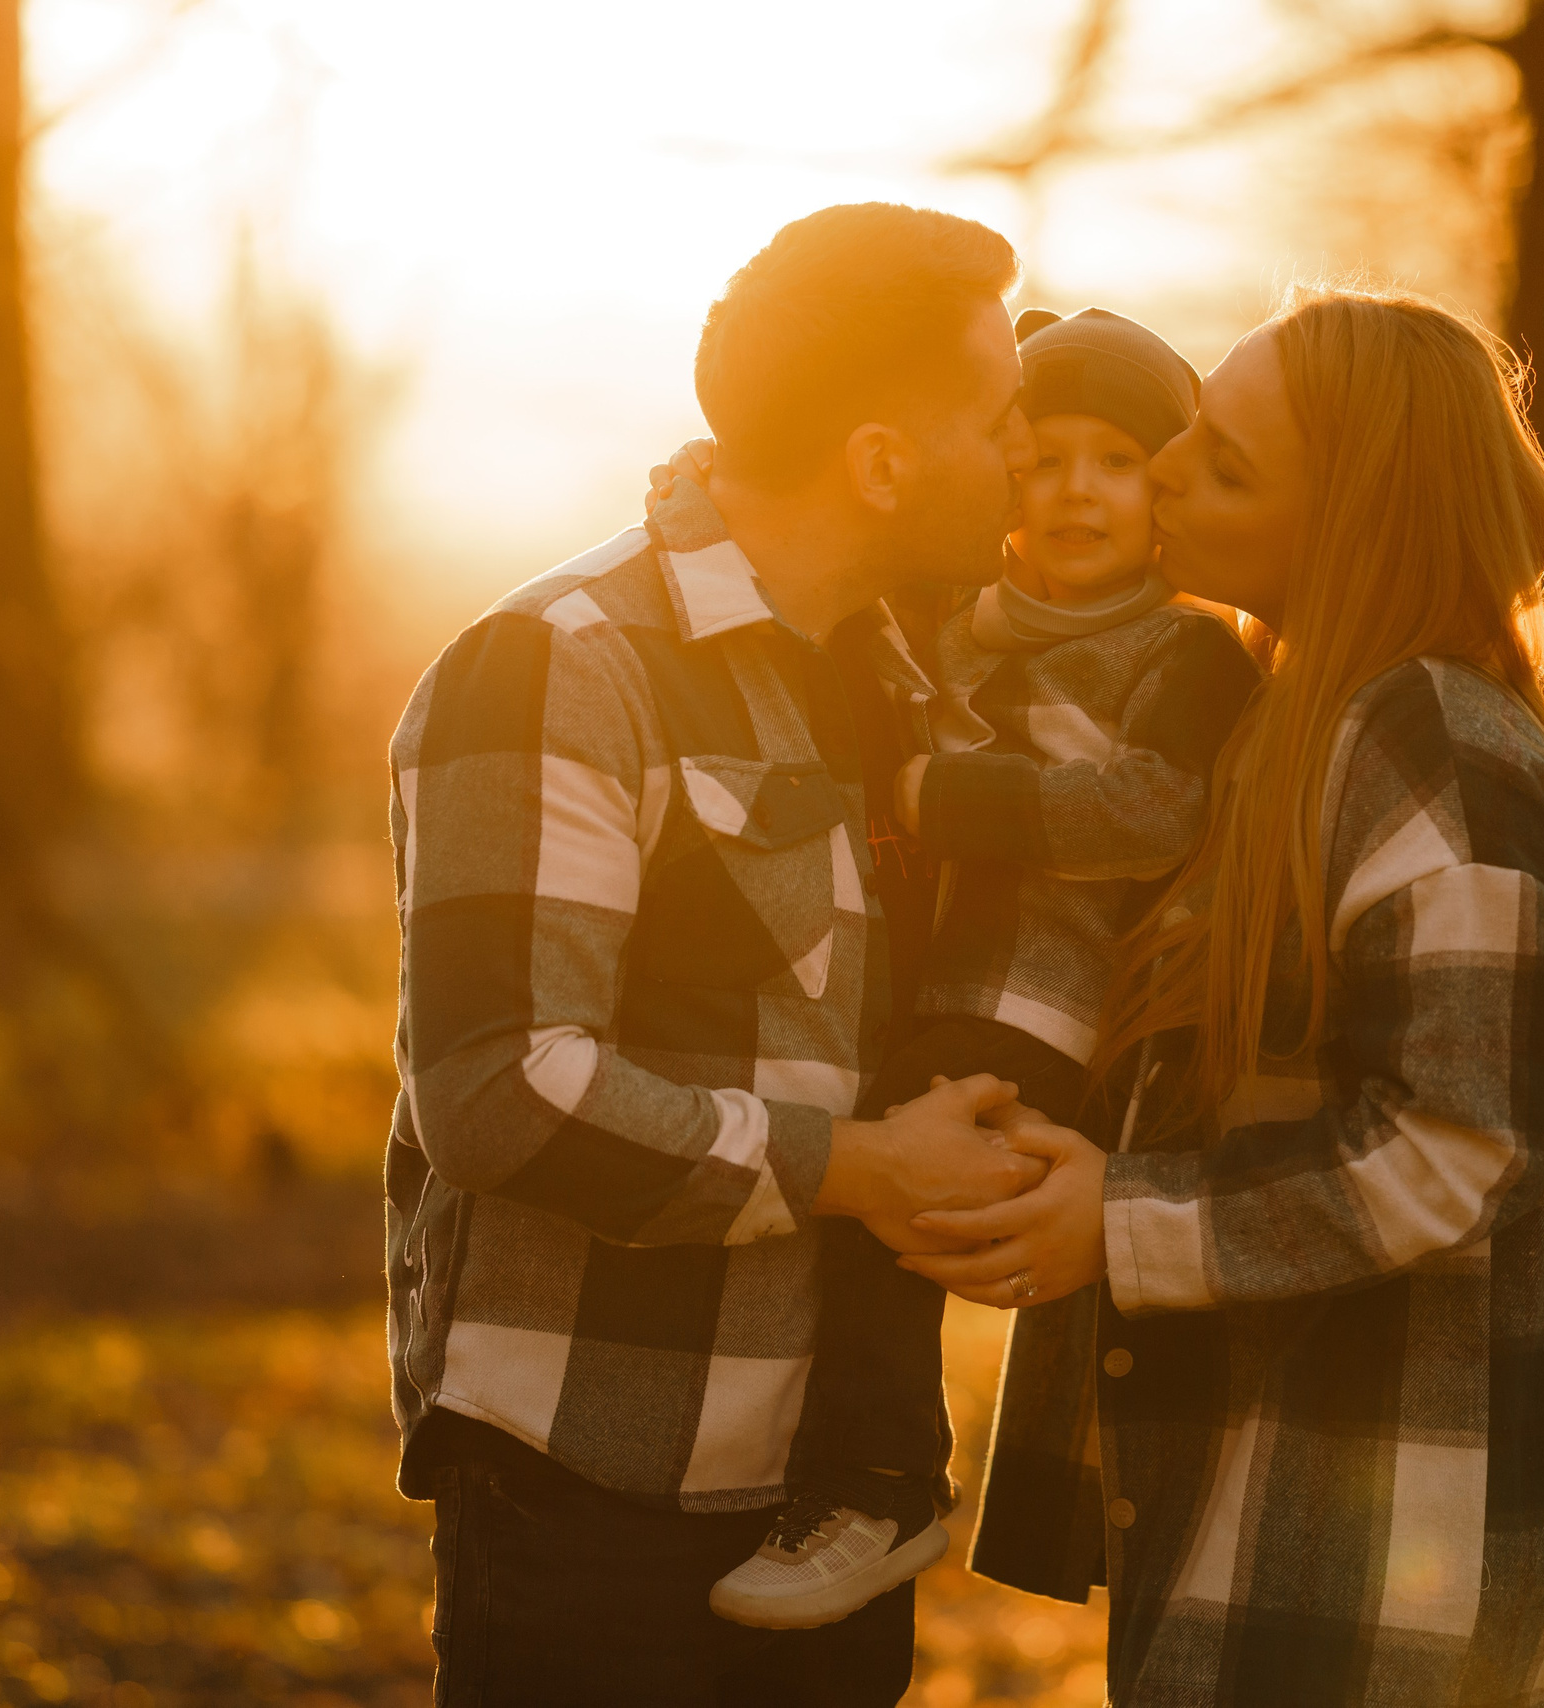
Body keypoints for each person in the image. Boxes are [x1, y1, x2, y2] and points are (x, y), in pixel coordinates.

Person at [905, 286, 1544, 1707]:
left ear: (1353, 528)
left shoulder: (1432, 743)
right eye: (1187, 431)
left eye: (1224, 463)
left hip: (1393, 1548)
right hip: (1287, 1494)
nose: (1163, 470)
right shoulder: (1289, 718)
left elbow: (1460, 1143)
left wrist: (1116, 1223)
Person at [381, 201, 1049, 1708]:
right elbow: (499, 1091)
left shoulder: (894, 678)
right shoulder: (559, 666)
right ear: (881, 460)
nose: (1026, 453)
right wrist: (863, 1167)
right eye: (1004, 417)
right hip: (594, 1505)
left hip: (826, 1505)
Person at [690, 306, 1262, 1630]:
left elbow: (1148, 813)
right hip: (924, 984)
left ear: (1161, 483)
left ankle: (883, 1484)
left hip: (1044, 1001)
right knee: (860, 1191)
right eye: (1045, 456)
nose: (1075, 489)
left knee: (898, 1194)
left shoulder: (1183, 652)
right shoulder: (961, 620)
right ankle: (819, 1462)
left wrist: (939, 791)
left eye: (1116, 461)